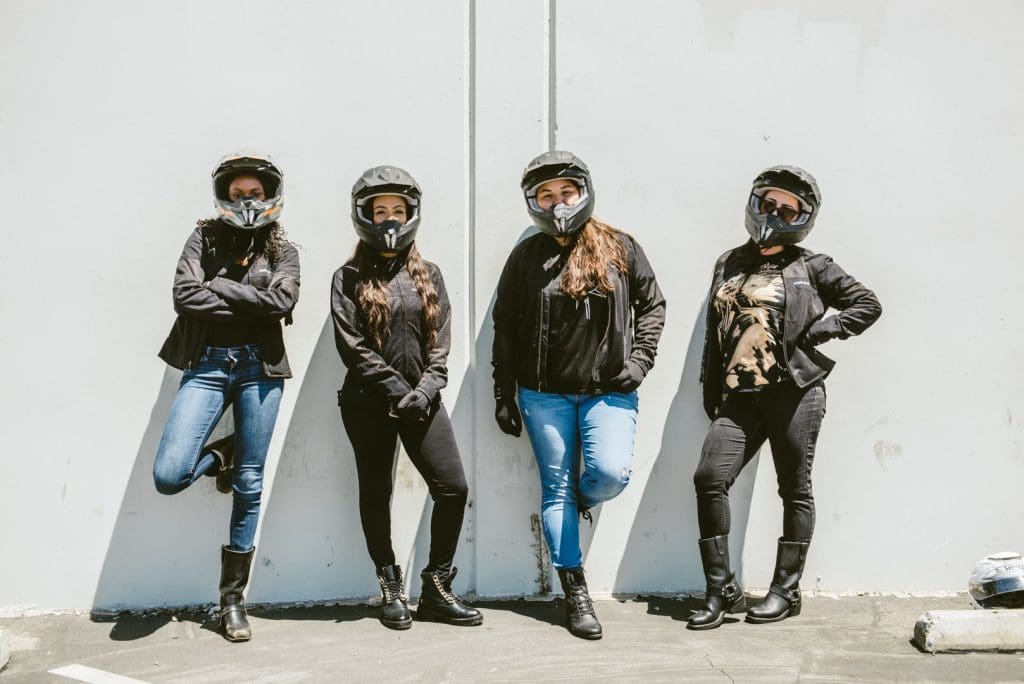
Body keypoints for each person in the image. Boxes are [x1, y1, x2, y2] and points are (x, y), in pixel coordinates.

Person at [689, 165, 882, 629]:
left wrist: (824, 329)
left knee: (794, 489)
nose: (774, 214)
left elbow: (867, 303)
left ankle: (785, 591)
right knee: (708, 478)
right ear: (754, 203)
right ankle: (722, 590)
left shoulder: (812, 266)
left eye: (787, 209)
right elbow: (715, 332)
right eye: (768, 203)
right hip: (740, 397)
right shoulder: (728, 261)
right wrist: (710, 389)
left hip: (794, 393)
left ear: (802, 218)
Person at [492, 151, 666, 639]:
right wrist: (503, 390)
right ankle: (576, 593)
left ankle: (576, 503)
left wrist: (639, 362)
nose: (557, 201)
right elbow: (504, 324)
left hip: (607, 390)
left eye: (565, 191)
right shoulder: (527, 255)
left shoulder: (619, 246)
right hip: (542, 394)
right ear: (532, 201)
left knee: (609, 474)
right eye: (545, 194)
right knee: (554, 489)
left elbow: (652, 305)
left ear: (583, 190)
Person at [153, 153, 300, 641]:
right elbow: (183, 295)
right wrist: (244, 301)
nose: (247, 202)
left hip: (262, 369)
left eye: (254, 194)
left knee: (251, 483)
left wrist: (218, 285)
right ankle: (222, 454)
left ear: (270, 195)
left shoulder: (285, 249)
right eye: (238, 195)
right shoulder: (203, 238)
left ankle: (232, 599)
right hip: (209, 364)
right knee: (170, 474)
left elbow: (282, 302)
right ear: (223, 197)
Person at [331, 165, 482, 630]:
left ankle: (436, 586)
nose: (390, 219)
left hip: (424, 401)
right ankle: (389, 585)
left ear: (412, 214)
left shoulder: (429, 272)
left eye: (398, 210)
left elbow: (442, 340)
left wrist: (426, 388)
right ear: (364, 216)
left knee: (453, 488)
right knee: (377, 493)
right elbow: (351, 345)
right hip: (367, 404)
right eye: (381, 211)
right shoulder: (349, 275)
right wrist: (398, 390)